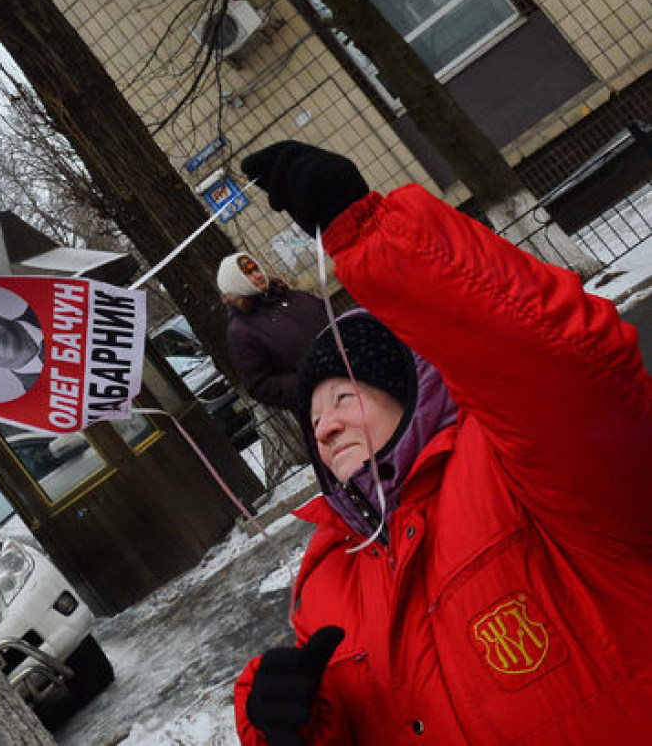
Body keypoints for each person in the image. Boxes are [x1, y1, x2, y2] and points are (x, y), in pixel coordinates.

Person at [232, 140, 652, 744]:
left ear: (410, 393)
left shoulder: (521, 469)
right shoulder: (326, 576)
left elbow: (558, 365)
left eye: (343, 398)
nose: (322, 427)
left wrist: (368, 235)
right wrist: (279, 724)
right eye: (314, 417)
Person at [216, 251, 330, 410]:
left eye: (255, 269)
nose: (257, 275)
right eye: (247, 274)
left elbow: (338, 323)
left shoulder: (297, 297)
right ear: (234, 283)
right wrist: (313, 381)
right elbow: (260, 386)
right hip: (324, 406)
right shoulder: (241, 332)